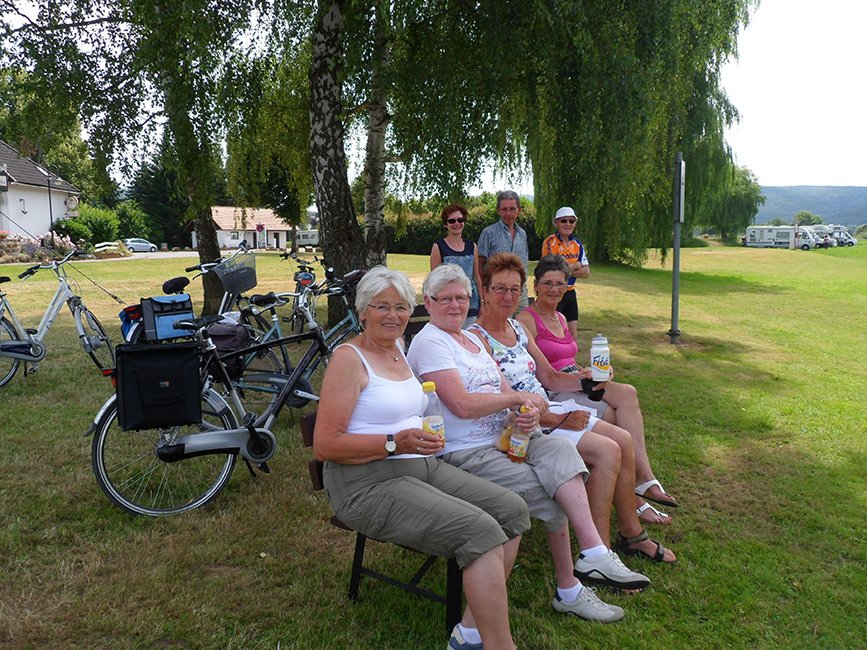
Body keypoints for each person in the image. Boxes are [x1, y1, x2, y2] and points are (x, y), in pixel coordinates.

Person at [408, 264, 652, 625]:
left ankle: (594, 552)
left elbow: (505, 389)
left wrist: (526, 409)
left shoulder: (470, 340)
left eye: (461, 297)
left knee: (561, 451)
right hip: (465, 451)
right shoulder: (430, 341)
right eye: (445, 298)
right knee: (549, 492)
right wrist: (515, 400)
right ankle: (569, 590)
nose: (455, 305)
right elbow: (460, 404)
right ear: (428, 302)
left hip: (506, 436)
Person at [313, 266, 530, 650]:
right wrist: (394, 442)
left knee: (512, 510)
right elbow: (326, 445)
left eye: (401, 307)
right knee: (480, 530)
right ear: (363, 310)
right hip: (365, 483)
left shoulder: (398, 349)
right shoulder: (349, 359)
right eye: (382, 306)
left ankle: (469, 631)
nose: (394, 316)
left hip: (420, 466)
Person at [470, 253, 676, 563]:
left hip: (549, 407)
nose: (508, 296)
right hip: (523, 425)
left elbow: (550, 376)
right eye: (499, 289)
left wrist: (586, 381)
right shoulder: (477, 339)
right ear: (484, 290)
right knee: (608, 451)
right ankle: (599, 552)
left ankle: (632, 534)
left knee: (623, 439)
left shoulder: (517, 329)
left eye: (514, 289)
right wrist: (557, 417)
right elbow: (505, 398)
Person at [517, 255, 680, 524]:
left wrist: (596, 372)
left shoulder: (560, 315)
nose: (554, 289)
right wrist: (582, 380)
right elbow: (546, 374)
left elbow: (568, 359)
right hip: (555, 389)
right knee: (613, 418)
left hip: (574, 377)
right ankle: (635, 500)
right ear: (535, 286)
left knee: (627, 392)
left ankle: (644, 477)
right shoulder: (527, 319)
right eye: (547, 283)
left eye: (560, 283)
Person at [430, 203, 483, 325]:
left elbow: (476, 276)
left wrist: (482, 302)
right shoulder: (438, 247)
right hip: (449, 304)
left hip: (471, 303)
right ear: (445, 224)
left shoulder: (472, 247)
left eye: (460, 220)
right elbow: (434, 281)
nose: (456, 224)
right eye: (452, 221)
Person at [541, 206, 589, 341]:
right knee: (554, 331)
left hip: (570, 292)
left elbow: (586, 272)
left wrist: (564, 268)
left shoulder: (578, 244)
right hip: (553, 292)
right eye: (564, 221)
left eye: (571, 221)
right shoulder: (550, 242)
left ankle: (572, 361)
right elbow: (551, 269)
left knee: (572, 332)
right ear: (556, 223)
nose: (568, 224)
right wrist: (575, 265)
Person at [477, 190, 529, 313]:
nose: (508, 213)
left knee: (522, 327)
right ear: (498, 210)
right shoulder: (488, 233)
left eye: (512, 209)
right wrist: (484, 294)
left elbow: (524, 262)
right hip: (497, 292)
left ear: (519, 210)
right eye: (504, 209)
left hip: (520, 292)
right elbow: (479, 266)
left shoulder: (522, 234)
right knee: (500, 328)